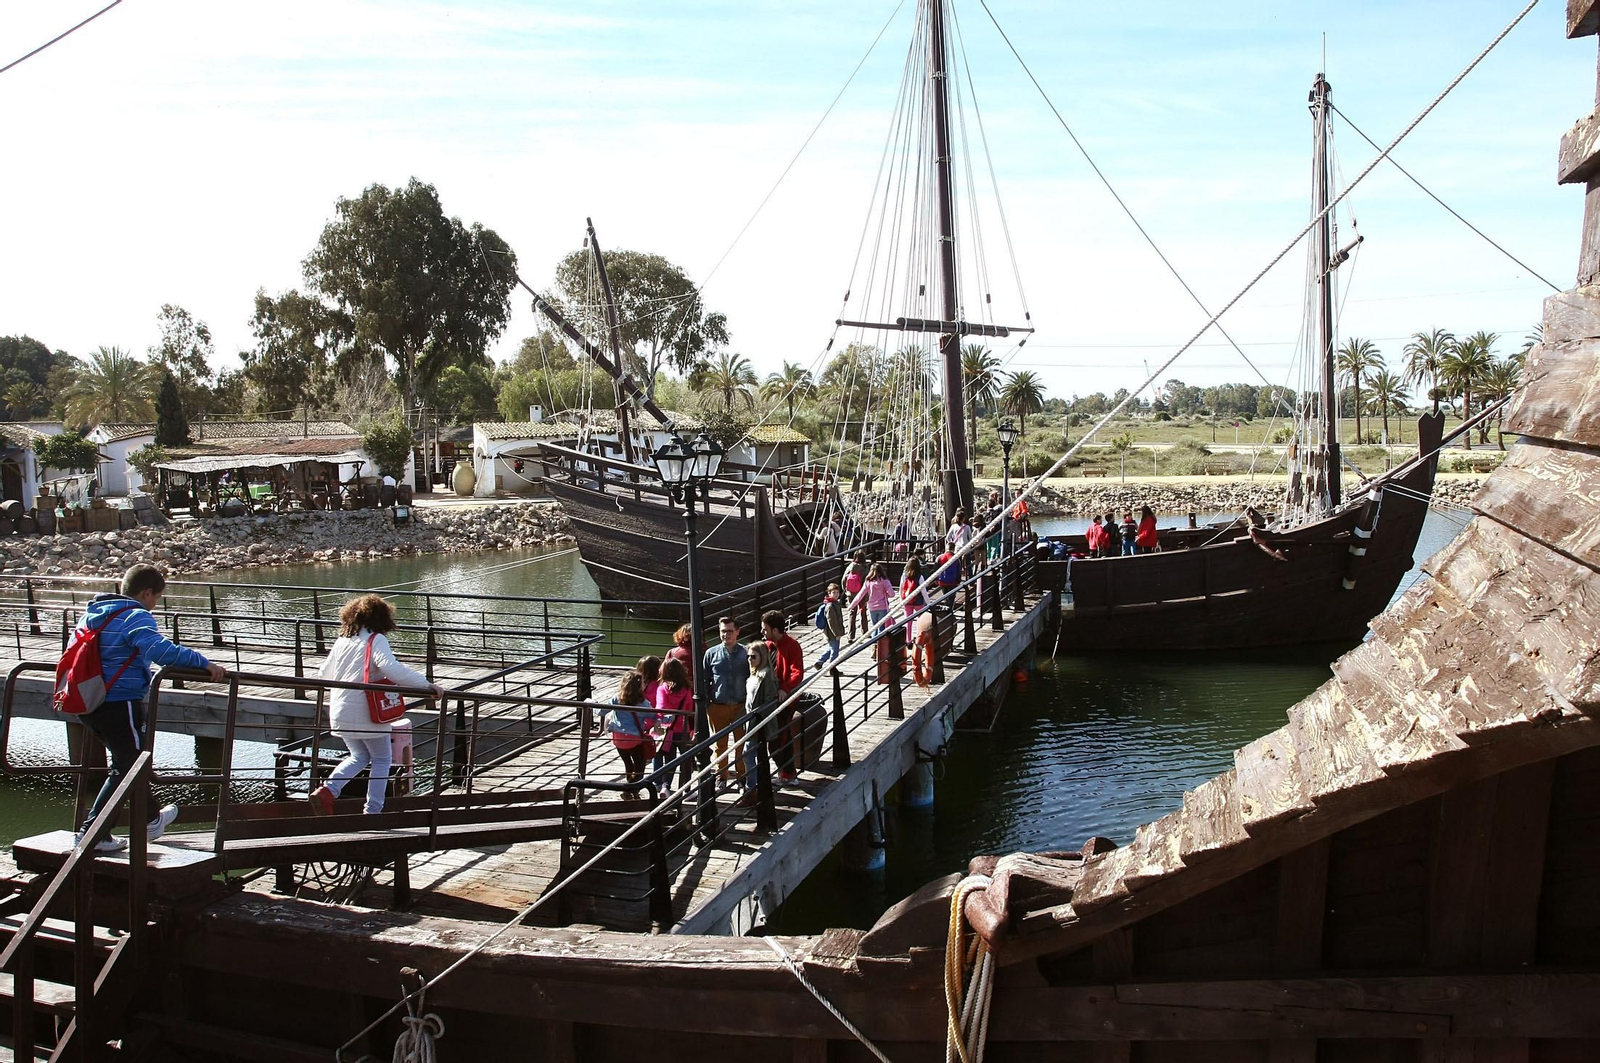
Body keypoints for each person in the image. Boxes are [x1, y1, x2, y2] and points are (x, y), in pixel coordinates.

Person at [72, 565, 228, 852]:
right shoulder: (135, 615)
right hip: (119, 703)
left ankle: (151, 819)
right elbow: (160, 651)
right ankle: (92, 833)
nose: (155, 604)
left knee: (130, 762)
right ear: (146, 593)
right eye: (156, 597)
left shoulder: (92, 614)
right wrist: (204, 662)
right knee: (127, 767)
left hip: (88, 702)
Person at [310, 593, 445, 817]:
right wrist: (426, 685)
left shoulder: (343, 639)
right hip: (366, 711)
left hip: (339, 709)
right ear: (382, 618)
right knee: (382, 758)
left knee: (359, 756)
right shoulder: (376, 639)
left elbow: (324, 673)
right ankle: (373, 812)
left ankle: (327, 791)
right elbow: (390, 668)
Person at [701, 616, 748, 785]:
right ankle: (722, 776)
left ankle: (742, 776)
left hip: (740, 706)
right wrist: (707, 704)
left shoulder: (746, 653)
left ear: (737, 632)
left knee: (742, 743)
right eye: (723, 631)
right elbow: (704, 678)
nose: (726, 635)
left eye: (729, 631)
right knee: (719, 744)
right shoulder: (711, 653)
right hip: (718, 705)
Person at [734, 641, 779, 807]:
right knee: (749, 754)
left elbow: (770, 700)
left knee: (748, 753)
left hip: (758, 722)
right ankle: (753, 787)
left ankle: (752, 789)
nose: (750, 659)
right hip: (750, 721)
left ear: (762, 657)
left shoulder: (766, 675)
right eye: (748, 656)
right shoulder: (753, 673)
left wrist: (758, 717)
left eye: (754, 656)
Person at [762, 610, 803, 783]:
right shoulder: (768, 645)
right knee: (773, 738)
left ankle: (788, 773)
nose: (763, 632)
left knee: (778, 738)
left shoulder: (792, 646)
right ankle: (786, 773)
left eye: (765, 629)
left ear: (776, 631)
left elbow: (797, 673)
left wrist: (785, 689)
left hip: (783, 701)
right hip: (770, 699)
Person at [604, 671, 657, 797]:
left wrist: (591, 703)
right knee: (640, 765)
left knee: (628, 763)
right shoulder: (643, 704)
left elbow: (601, 711)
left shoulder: (616, 699)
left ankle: (631, 789)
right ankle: (630, 788)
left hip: (618, 738)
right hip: (634, 739)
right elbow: (655, 716)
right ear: (639, 686)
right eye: (643, 682)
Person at [652, 656, 694, 780]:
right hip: (683, 729)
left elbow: (661, 709)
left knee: (669, 760)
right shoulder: (687, 689)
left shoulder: (662, 689)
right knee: (686, 760)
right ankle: (686, 788)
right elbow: (689, 708)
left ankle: (666, 786)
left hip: (668, 730)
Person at [850, 563, 895, 635]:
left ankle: (874, 642)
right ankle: (880, 644)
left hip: (872, 607)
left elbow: (860, 595)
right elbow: (892, 594)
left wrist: (851, 606)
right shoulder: (885, 581)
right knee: (881, 627)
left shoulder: (868, 582)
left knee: (875, 626)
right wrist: (887, 594)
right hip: (882, 606)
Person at [817, 584, 845, 668]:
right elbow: (831, 621)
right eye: (833, 592)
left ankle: (819, 662)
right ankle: (832, 668)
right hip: (832, 632)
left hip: (831, 632)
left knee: (831, 648)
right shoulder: (830, 606)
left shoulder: (835, 604)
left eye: (837, 592)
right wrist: (837, 633)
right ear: (829, 594)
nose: (836, 594)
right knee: (835, 651)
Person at [842, 550, 869, 638]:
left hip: (850, 593)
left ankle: (851, 635)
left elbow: (843, 580)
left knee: (852, 614)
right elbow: (867, 583)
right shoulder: (865, 569)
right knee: (863, 612)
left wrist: (846, 591)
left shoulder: (850, 567)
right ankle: (865, 632)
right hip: (861, 594)